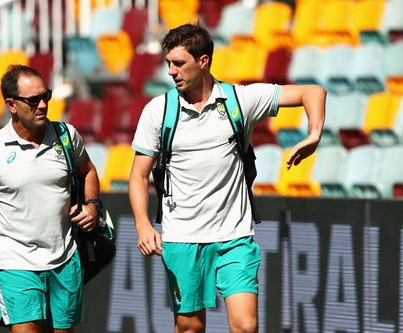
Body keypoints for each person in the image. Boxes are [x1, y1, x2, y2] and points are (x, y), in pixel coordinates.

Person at [128, 23, 326, 333]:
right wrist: (142, 224)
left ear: (203, 61)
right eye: (168, 63)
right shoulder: (158, 110)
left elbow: (312, 91)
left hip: (235, 236)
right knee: (189, 327)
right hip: (182, 237)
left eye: (179, 63)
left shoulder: (239, 100)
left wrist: (314, 133)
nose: (171, 72)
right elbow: (138, 175)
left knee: (246, 326)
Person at [0, 64, 100, 333]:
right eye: (33, 100)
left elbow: (89, 171)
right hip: (16, 262)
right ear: (11, 105)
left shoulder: (67, 136)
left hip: (65, 259)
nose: (44, 105)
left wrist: (92, 205)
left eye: (46, 95)